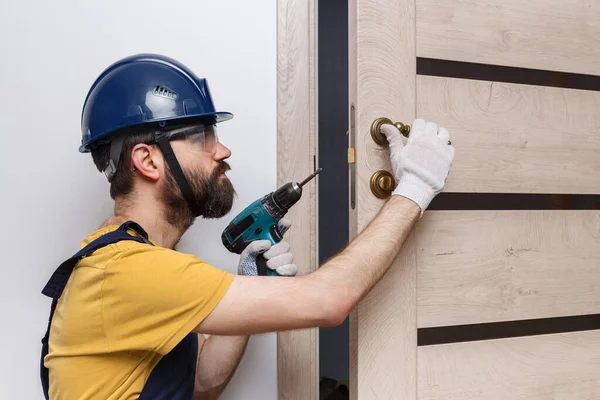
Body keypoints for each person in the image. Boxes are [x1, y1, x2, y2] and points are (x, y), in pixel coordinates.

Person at [40, 53, 454, 400]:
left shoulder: (131, 263)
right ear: (148, 161)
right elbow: (330, 301)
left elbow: (201, 381)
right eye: (202, 136)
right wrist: (416, 186)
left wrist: (250, 281)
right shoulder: (129, 273)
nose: (223, 149)